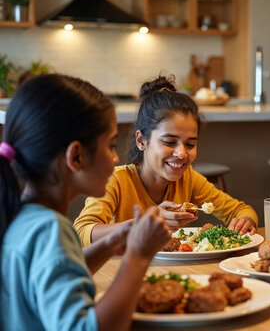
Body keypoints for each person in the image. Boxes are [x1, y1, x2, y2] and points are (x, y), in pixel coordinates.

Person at [0, 74, 172, 330]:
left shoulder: (22, 217)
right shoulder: (50, 230)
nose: (115, 159)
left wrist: (112, 243)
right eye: (111, 145)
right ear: (76, 156)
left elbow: (59, 270)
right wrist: (138, 256)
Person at [73, 75, 257, 246]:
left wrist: (244, 222)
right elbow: (82, 231)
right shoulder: (116, 181)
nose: (182, 153)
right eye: (169, 142)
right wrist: (145, 223)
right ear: (141, 141)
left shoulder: (189, 179)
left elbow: (241, 210)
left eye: (190, 144)